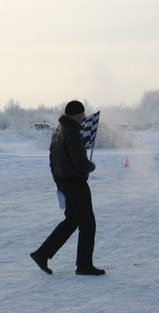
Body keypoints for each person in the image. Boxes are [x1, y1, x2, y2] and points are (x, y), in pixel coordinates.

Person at [30, 100, 104, 276]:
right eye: (82, 113)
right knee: (88, 224)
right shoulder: (71, 132)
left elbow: (52, 160)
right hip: (76, 184)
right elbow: (80, 163)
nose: (84, 117)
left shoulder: (58, 130)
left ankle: (42, 254)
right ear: (75, 114)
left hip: (63, 182)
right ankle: (84, 266)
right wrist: (90, 166)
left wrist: (58, 183)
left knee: (72, 220)